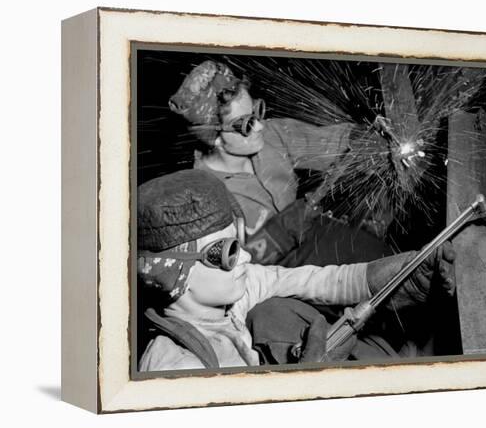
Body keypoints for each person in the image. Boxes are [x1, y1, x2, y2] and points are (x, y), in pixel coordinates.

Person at [137, 169, 456, 371]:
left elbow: (315, 280)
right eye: (228, 252)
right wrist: (308, 382)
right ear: (173, 275)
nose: (247, 257)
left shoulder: (231, 301)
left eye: (240, 242)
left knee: (274, 314)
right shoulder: (175, 367)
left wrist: (406, 272)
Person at [168, 60, 392, 268]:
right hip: (265, 288)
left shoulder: (271, 136)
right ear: (214, 138)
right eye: (245, 124)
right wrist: (277, 232)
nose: (259, 127)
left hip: (310, 249)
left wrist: (364, 136)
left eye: (256, 112)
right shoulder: (202, 197)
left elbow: (327, 143)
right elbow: (228, 275)